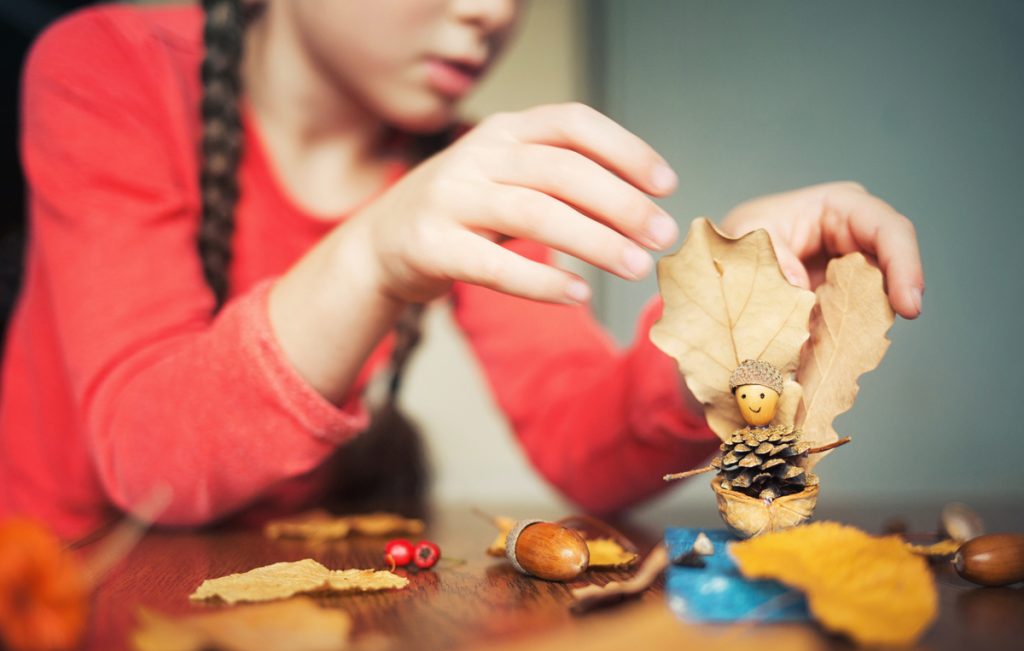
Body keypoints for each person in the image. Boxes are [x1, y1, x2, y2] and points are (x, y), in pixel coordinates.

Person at [0, 0, 923, 541]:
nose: (493, 12)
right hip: (52, 585)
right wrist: (372, 253)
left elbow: (584, 440)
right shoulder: (105, 68)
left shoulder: (449, 166)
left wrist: (740, 321)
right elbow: (147, 459)